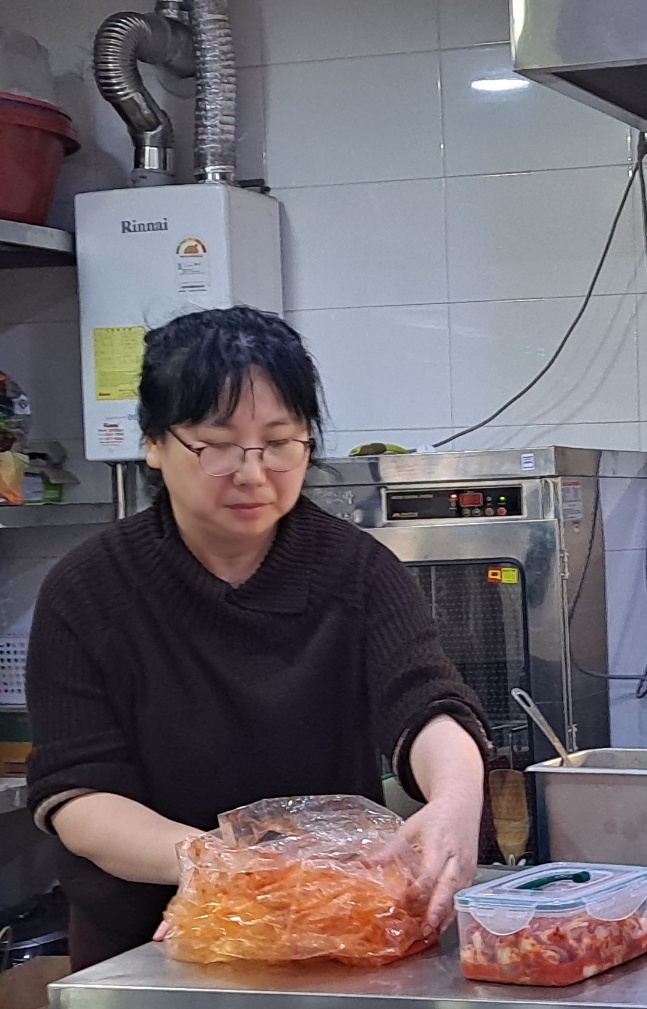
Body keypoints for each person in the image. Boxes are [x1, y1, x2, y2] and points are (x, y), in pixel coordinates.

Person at [25, 306, 491, 970]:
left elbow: (423, 702)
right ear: (154, 443)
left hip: (333, 936)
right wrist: (222, 868)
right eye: (216, 445)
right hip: (146, 949)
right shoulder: (89, 588)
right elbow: (78, 794)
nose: (253, 472)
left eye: (280, 442)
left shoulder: (357, 571)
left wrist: (455, 800)